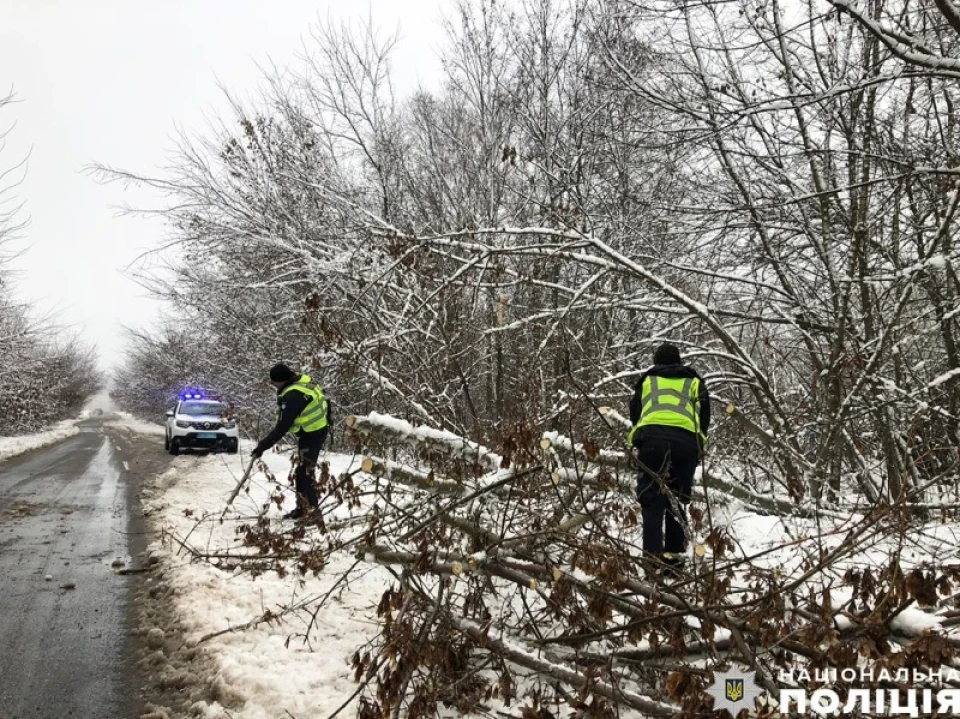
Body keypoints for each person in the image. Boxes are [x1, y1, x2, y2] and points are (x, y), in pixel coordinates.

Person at [626, 343, 710, 575]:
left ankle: (652, 565)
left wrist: (639, 440)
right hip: (686, 443)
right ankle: (674, 567)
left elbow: (635, 412)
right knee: (676, 501)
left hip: (652, 440)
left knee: (652, 502)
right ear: (679, 361)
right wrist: (697, 443)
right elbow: (705, 417)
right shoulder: (694, 381)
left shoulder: (647, 381)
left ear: (657, 361)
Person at [252, 363, 331, 520]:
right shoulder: (301, 381)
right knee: (301, 472)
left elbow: (282, 427)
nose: (274, 386)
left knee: (306, 473)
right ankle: (302, 509)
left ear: (281, 380)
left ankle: (313, 514)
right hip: (314, 430)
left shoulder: (293, 395)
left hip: (313, 433)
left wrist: (263, 446)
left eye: (274, 383)